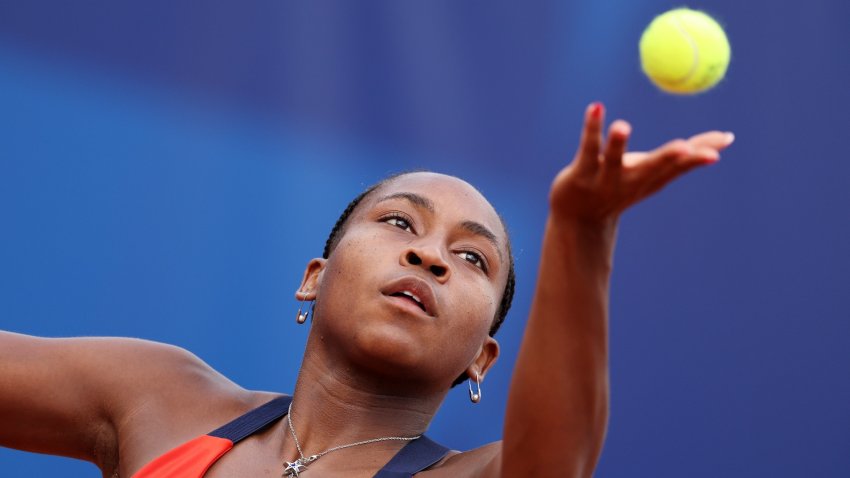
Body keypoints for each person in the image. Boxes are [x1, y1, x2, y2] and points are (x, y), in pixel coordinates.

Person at [0, 103, 734, 477]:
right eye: (398, 222)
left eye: (473, 259)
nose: (430, 255)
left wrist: (583, 227)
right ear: (313, 279)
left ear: (481, 358)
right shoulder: (155, 396)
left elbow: (557, 461)